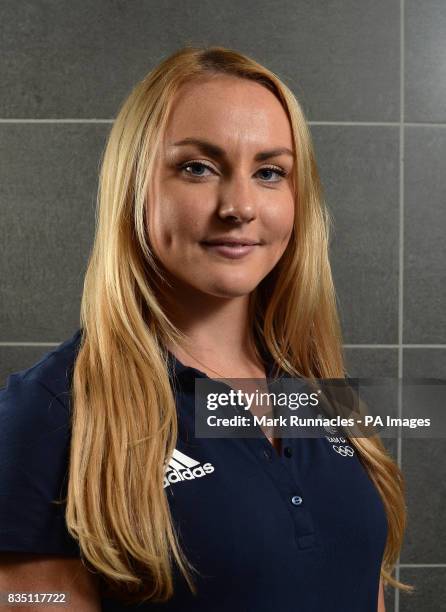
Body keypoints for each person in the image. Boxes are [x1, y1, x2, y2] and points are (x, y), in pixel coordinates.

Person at [0, 46, 413, 611]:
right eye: (198, 167)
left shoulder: (319, 393)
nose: (239, 205)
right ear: (136, 186)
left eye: (270, 172)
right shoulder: (49, 413)